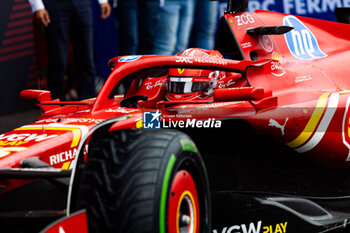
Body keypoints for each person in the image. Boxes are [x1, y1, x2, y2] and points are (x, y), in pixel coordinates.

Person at [28, 0, 111, 100]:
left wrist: (103, 1)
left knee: (86, 59)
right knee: (57, 61)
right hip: (55, 5)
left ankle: (88, 105)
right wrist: (37, 6)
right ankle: (56, 109)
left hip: (82, 4)